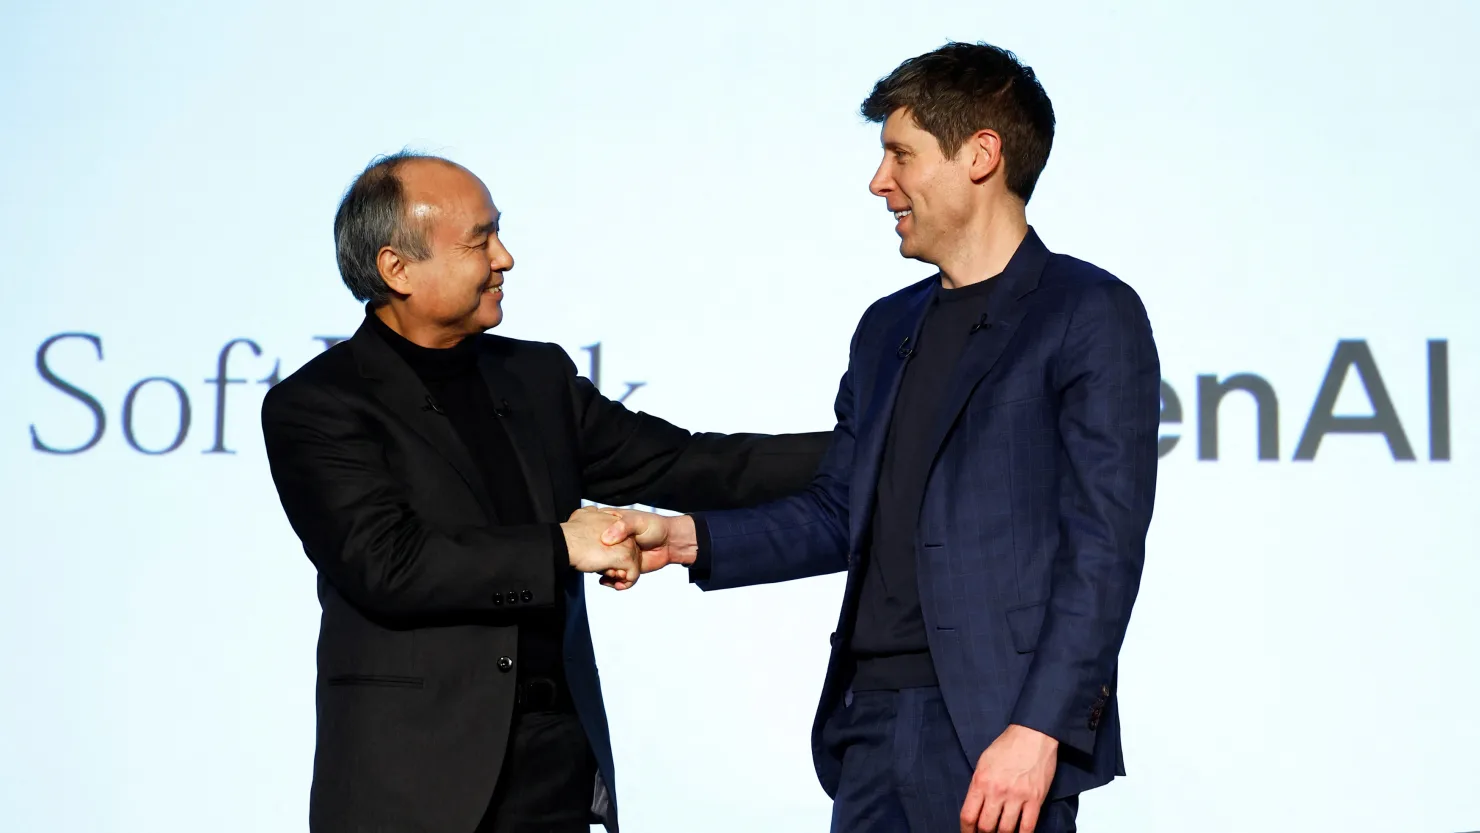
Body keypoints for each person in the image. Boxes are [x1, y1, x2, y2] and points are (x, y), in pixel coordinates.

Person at [590, 42, 1160, 833]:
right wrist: (687, 538)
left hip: (994, 730)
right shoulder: (886, 326)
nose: (879, 181)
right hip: (869, 725)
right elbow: (839, 510)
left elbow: (1103, 546)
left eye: (901, 154)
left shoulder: (1086, 312)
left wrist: (1039, 729)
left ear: (981, 156)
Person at [260, 151, 828, 833]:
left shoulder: (535, 376)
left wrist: (877, 442)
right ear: (396, 268)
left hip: (552, 768)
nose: (505, 258)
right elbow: (389, 564)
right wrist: (561, 546)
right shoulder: (318, 404)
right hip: (413, 778)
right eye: (479, 241)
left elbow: (692, 462)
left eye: (498, 233)